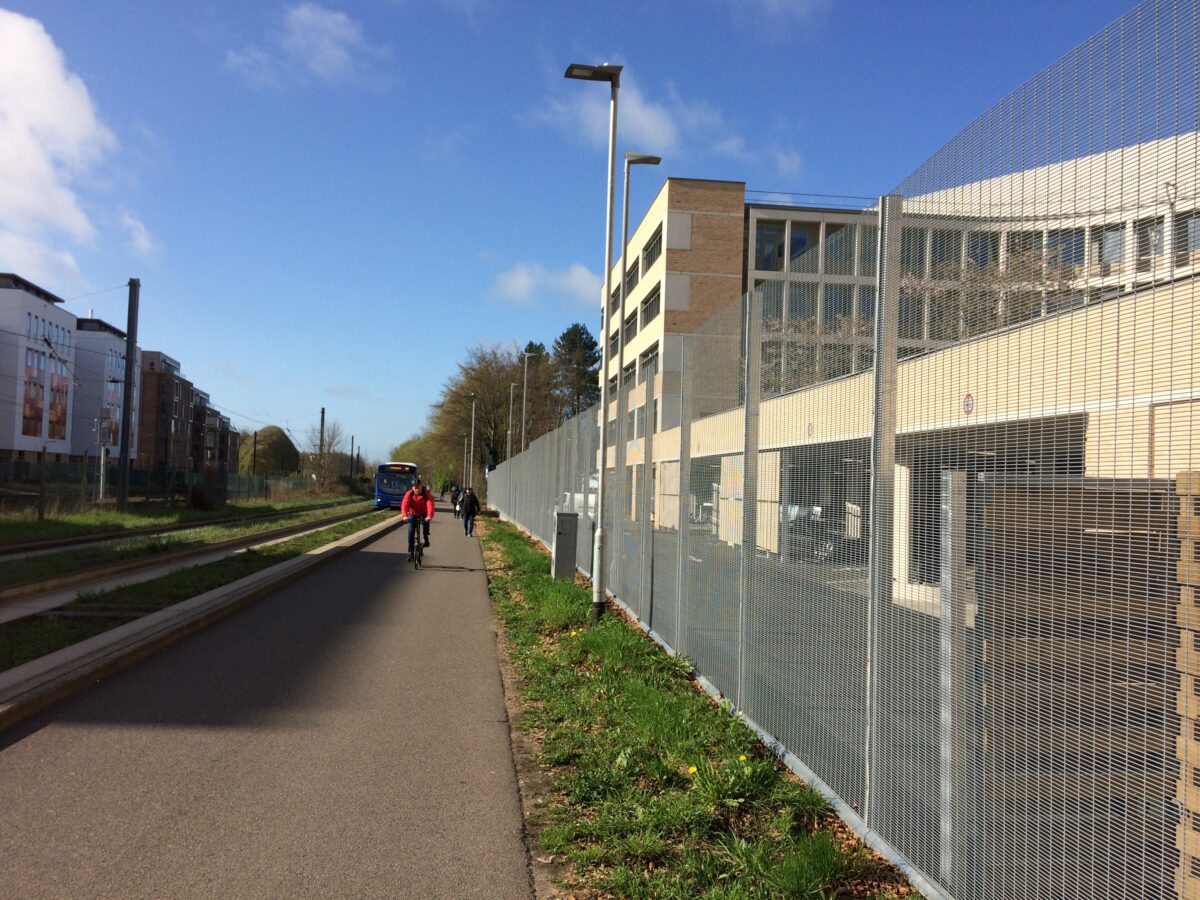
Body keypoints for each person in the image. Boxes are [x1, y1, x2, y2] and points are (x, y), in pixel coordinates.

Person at [401, 479, 435, 560]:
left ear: (421, 486)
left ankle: (425, 538)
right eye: (415, 487)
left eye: (418, 487)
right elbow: (404, 504)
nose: (417, 489)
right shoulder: (409, 493)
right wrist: (404, 515)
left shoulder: (425, 493)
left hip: (423, 513)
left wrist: (429, 516)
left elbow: (430, 504)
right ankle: (411, 552)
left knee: (426, 521)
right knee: (410, 531)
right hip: (413, 514)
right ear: (412, 488)